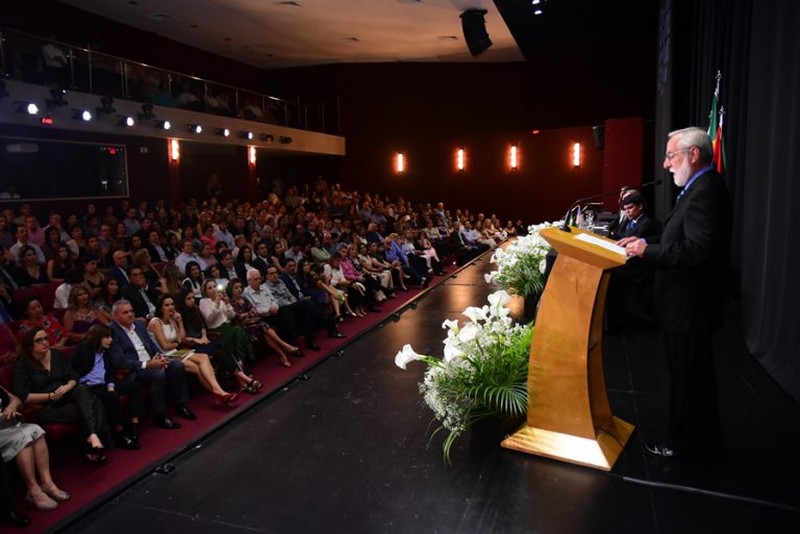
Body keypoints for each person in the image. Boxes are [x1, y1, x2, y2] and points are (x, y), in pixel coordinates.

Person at [619, 126, 731, 461]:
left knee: (689, 382)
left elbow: (697, 250)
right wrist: (644, 243)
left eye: (671, 155)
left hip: (690, 307)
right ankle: (701, 443)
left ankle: (687, 447)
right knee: (691, 379)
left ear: (693, 155)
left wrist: (646, 252)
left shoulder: (706, 191)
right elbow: (674, 239)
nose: (666, 164)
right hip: (685, 306)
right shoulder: (698, 188)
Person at [13, 328, 112, 463]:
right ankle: (92, 441)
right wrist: (50, 396)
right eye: (39, 340)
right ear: (30, 345)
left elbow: (73, 376)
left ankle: (93, 436)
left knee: (82, 390)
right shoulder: (22, 366)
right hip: (46, 406)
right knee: (94, 404)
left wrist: (67, 387)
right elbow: (23, 396)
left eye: (46, 338)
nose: (45, 342)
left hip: (67, 395)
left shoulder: (56, 355)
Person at [108, 300, 195, 429]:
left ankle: (180, 405)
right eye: (125, 312)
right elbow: (119, 361)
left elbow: (152, 346)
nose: (130, 314)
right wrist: (148, 364)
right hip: (133, 369)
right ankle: (160, 415)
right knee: (157, 374)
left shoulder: (139, 325)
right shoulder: (112, 332)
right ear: (115, 316)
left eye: (131, 311)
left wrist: (160, 357)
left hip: (152, 361)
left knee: (177, 366)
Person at [147, 294, 238, 405]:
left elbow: (183, 338)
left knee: (204, 357)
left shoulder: (171, 319)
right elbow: (165, 346)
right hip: (164, 356)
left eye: (172, 304)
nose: (171, 307)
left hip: (176, 352)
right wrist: (177, 343)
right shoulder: (156, 322)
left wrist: (179, 322)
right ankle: (219, 392)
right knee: (196, 367)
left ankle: (218, 392)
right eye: (167, 305)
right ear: (160, 307)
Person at [176, 288, 262, 394]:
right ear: (182, 301)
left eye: (193, 298)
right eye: (189, 298)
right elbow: (181, 339)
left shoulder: (195, 309)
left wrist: (203, 336)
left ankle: (243, 381)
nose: (193, 300)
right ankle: (245, 380)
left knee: (224, 348)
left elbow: (202, 327)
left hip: (203, 341)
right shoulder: (178, 316)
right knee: (220, 352)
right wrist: (196, 340)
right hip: (192, 346)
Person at [72, 324, 143, 450]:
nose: (111, 340)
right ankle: (120, 433)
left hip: (105, 385)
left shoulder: (105, 352)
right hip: (89, 387)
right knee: (112, 397)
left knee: (134, 386)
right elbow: (73, 370)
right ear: (98, 337)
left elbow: (109, 372)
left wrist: (110, 385)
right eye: (107, 337)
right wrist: (81, 382)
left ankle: (134, 425)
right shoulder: (83, 349)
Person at [0, 385, 68, 513]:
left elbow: (15, 398)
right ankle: (33, 490)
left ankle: (47, 483)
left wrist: (12, 406)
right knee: (23, 437)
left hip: (8, 426)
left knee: (36, 430)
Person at [226, 277, 301, 367]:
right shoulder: (230, 303)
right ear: (231, 289)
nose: (239, 289)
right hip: (245, 328)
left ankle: (283, 354)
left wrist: (246, 315)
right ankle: (285, 347)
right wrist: (247, 315)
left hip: (255, 323)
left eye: (240, 287)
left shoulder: (244, 299)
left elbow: (254, 311)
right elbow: (237, 317)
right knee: (263, 326)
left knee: (264, 330)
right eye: (236, 288)